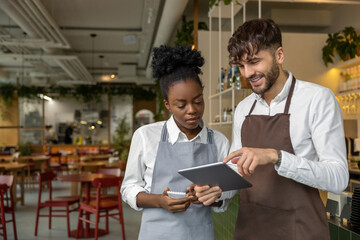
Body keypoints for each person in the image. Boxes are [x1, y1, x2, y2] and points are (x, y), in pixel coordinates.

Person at [193, 19, 349, 240]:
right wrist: (217, 190)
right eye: (241, 65)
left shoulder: (317, 99)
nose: (247, 73)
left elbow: (338, 177)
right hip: (252, 230)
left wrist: (276, 156)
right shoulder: (244, 109)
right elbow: (239, 170)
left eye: (255, 62)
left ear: (279, 55)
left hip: (300, 230)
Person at [120, 45, 230, 240]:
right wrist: (159, 201)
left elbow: (224, 199)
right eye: (181, 105)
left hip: (200, 233)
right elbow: (129, 188)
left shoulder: (219, 142)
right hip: (156, 234)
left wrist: (210, 198)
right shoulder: (146, 136)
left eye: (198, 101)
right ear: (167, 105)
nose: (192, 110)